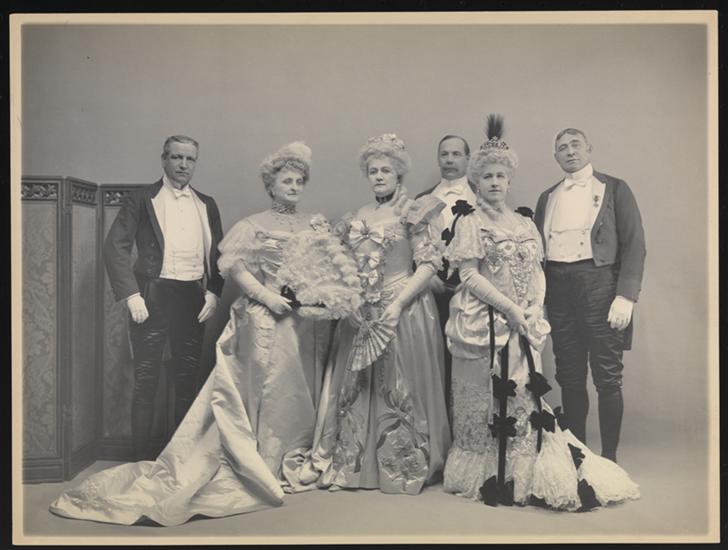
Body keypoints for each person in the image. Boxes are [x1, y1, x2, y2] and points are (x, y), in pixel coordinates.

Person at [50, 142, 362, 525]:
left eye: (299, 181)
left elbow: (315, 268)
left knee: (201, 379)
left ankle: (268, 451)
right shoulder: (230, 219)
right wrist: (264, 296)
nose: (294, 187)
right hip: (198, 305)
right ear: (271, 186)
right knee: (151, 378)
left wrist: (314, 297)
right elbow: (229, 264)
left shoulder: (287, 218)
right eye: (287, 181)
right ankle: (160, 456)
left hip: (259, 313)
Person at [442, 115, 639, 510]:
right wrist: (514, 308)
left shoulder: (529, 219)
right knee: (529, 387)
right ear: (476, 182)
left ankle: (601, 454)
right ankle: (491, 465)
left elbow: (540, 270)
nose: (495, 182)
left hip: (555, 307)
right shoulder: (476, 219)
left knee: (585, 380)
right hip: (489, 320)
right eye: (487, 177)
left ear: (509, 180)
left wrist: (535, 306)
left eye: (501, 176)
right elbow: (470, 274)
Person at [309, 133, 451, 495]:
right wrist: (351, 302)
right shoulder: (357, 216)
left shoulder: (413, 211)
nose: (379, 176)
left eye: (385, 170)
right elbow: (342, 267)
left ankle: (400, 463)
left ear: (399, 172)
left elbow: (429, 263)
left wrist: (398, 303)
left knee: (398, 384)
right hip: (362, 312)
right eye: (373, 171)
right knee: (358, 387)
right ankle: (355, 463)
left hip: (403, 307)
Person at [103, 135, 224, 461]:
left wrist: (214, 291)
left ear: (195, 162)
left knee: (187, 380)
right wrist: (132, 296)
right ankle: (141, 462)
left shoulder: (206, 203)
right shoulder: (142, 199)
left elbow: (219, 253)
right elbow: (115, 247)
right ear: (164, 159)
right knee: (146, 380)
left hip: (191, 298)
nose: (183, 165)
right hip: (152, 296)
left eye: (189, 159)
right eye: (176, 157)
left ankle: (180, 461)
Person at [534, 128, 646, 463]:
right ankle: (578, 457)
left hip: (601, 287)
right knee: (569, 376)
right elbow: (537, 254)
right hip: (558, 290)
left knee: (607, 376)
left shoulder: (615, 188)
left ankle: (609, 459)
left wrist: (625, 296)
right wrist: (538, 300)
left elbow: (634, 245)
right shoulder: (547, 197)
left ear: (589, 148)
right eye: (562, 148)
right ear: (555, 156)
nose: (569, 152)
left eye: (575, 145)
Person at [415, 135, 477, 420]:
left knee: (468, 358)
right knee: (435, 356)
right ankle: (439, 425)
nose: (449, 160)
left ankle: (465, 422)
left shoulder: (481, 194)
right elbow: (412, 243)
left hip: (472, 289)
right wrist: (425, 275)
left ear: (468, 159)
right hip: (434, 287)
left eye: (456, 154)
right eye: (444, 154)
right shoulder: (422, 199)